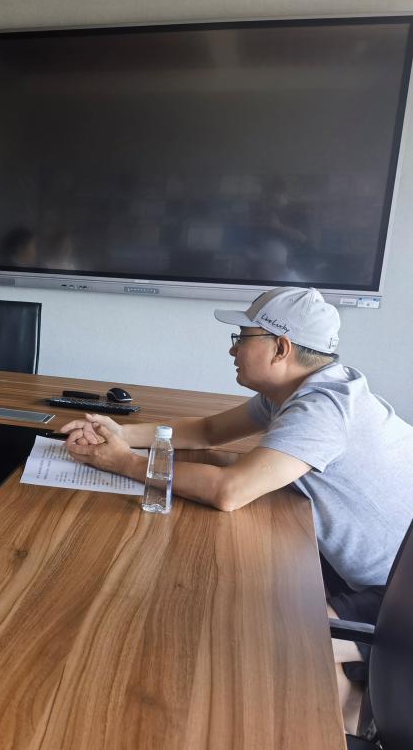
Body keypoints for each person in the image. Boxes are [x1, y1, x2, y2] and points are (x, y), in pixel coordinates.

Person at [60, 286, 413, 730]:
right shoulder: (296, 391)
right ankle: (349, 712)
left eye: (242, 338)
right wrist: (120, 433)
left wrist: (123, 463)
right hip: (375, 571)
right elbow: (208, 431)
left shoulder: (322, 410)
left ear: (281, 347)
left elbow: (230, 491)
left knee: (256, 644)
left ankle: (341, 722)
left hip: (398, 592)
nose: (232, 350)